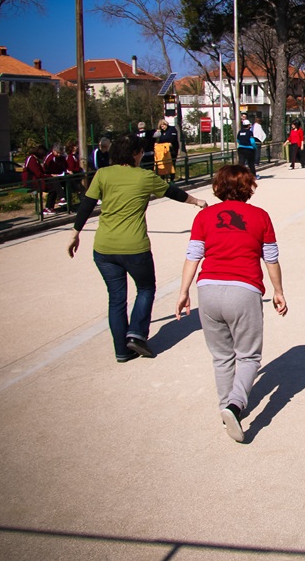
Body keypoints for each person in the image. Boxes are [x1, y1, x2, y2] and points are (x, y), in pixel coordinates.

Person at [67, 134, 208, 363]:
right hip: (134, 247)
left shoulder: (102, 174)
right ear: (134, 154)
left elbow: (87, 205)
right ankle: (137, 334)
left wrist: (75, 234)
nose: (142, 155)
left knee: (116, 298)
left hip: (103, 248)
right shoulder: (144, 177)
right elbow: (173, 192)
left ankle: (121, 351)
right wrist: (197, 202)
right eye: (140, 151)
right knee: (145, 288)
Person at [175, 164, 287, 443]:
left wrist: (183, 291)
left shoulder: (205, 216)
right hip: (244, 290)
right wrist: (278, 290)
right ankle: (235, 406)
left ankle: (225, 408)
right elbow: (270, 258)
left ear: (218, 186)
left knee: (221, 356)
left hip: (208, 289)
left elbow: (193, 255)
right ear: (248, 187)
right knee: (248, 355)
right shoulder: (260, 216)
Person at [22, 145, 51, 215]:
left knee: (54, 186)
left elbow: (41, 172)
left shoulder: (35, 160)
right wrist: (49, 176)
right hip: (31, 181)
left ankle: (49, 207)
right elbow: (38, 173)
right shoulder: (32, 160)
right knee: (52, 187)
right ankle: (47, 208)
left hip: (36, 180)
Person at [43, 142, 67, 212]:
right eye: (58, 153)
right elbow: (47, 170)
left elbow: (64, 166)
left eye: (60, 153)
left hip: (59, 176)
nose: (59, 155)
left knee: (67, 182)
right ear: (53, 151)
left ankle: (65, 202)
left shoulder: (61, 157)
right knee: (55, 185)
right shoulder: (50, 158)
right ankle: (62, 198)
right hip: (49, 177)